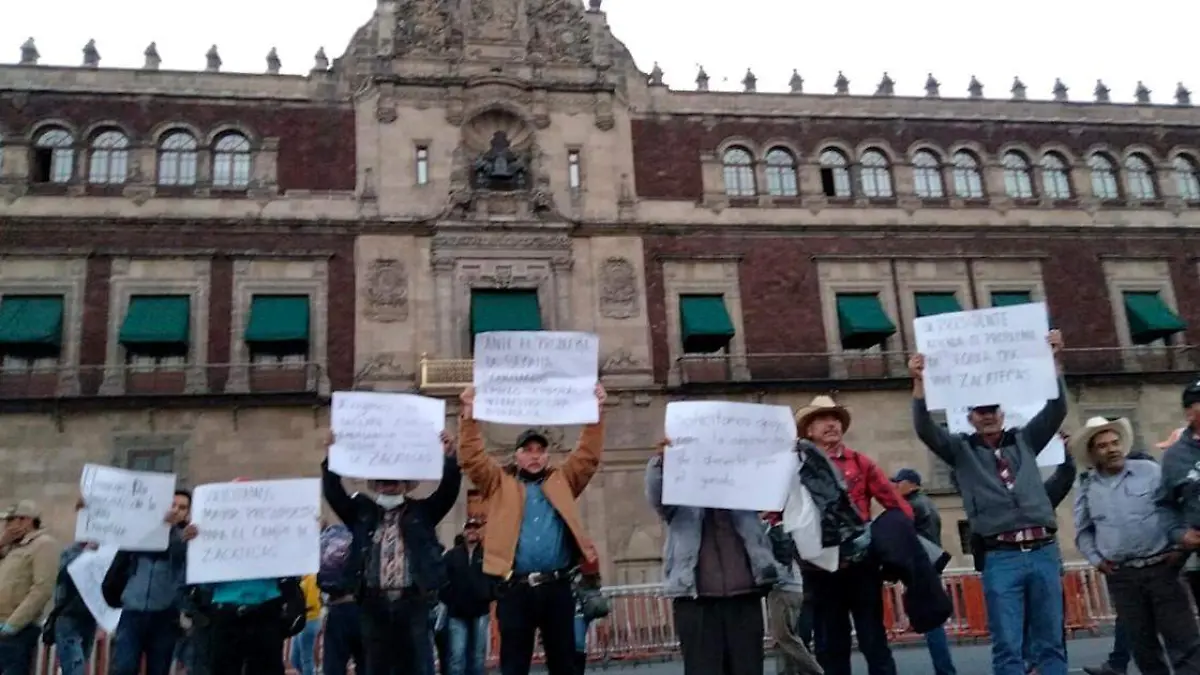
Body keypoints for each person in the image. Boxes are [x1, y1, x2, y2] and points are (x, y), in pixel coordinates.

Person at [911, 329, 1069, 675]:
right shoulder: (960, 450)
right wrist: (919, 384)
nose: (986, 415)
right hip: (1001, 556)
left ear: (1002, 411)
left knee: (1051, 641)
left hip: (1043, 551)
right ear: (969, 417)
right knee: (1008, 644)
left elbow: (1057, 407)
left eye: (992, 409)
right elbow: (924, 429)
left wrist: (1055, 360)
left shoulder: (1027, 439)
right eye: (979, 411)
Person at [457, 384, 607, 675]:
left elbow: (588, 455)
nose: (534, 455)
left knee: (564, 664)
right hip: (516, 590)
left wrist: (597, 413)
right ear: (517, 456)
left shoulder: (564, 480)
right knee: (514, 665)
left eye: (540, 450)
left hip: (558, 587)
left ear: (548, 456)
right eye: (527, 450)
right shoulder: (499, 484)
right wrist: (469, 413)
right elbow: (472, 458)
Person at [322, 431, 462, 675]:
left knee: (417, 666)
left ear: (405, 485)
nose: (389, 484)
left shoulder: (422, 512)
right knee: (375, 667)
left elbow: (448, 492)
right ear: (375, 484)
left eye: (395, 480)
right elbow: (334, 493)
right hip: (372, 603)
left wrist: (450, 458)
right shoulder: (360, 512)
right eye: (384, 480)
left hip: (413, 602)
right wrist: (332, 457)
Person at [646, 437, 787, 675]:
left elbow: (776, 488)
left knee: (748, 668)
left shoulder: (744, 495)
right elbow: (656, 492)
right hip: (695, 599)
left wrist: (782, 454)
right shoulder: (680, 498)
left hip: (744, 597)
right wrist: (662, 462)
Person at [793, 395, 912, 675]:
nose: (831, 423)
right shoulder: (795, 467)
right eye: (822, 419)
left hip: (861, 566)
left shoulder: (862, 463)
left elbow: (898, 507)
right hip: (819, 568)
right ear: (809, 430)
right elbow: (775, 512)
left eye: (834, 418)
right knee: (830, 645)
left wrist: (894, 545)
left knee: (874, 640)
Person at [1074, 415, 1200, 675]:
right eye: (1103, 445)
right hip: (1122, 577)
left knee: (1184, 644)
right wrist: (1097, 560)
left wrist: (1179, 549)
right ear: (1093, 453)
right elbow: (1083, 531)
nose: (1112, 449)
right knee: (1143, 649)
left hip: (1163, 569)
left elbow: (1178, 508)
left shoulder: (1151, 472)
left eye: (1115, 442)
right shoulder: (1086, 486)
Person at [101, 490, 195, 675]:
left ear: (188, 513)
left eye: (182, 507)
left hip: (165, 614)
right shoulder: (142, 533)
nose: (176, 510)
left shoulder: (186, 540)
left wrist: (172, 530)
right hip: (133, 611)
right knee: (123, 667)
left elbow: (179, 556)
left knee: (158, 668)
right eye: (172, 505)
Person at [891, 468, 957, 675]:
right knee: (932, 620)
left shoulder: (913, 506)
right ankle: (944, 669)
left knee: (931, 621)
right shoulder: (926, 503)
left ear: (911, 484)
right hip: (929, 567)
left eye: (899, 482)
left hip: (921, 569)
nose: (895, 486)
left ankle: (945, 670)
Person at [0, 500, 59, 675]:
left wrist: (12, 624)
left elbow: (42, 589)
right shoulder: (10, 547)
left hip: (17, 630)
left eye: (11, 520)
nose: (7, 526)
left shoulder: (43, 545)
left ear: (25, 520)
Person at [762, 512, 824, 675]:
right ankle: (789, 671)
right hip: (789, 589)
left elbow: (781, 562)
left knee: (786, 638)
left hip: (785, 589)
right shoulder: (781, 527)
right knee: (785, 638)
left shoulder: (778, 529)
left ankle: (815, 671)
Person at [442, 519, 493, 675]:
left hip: (481, 611)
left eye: (475, 528)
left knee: (478, 657)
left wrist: (490, 594)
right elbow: (442, 579)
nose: (472, 531)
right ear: (463, 532)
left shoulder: (487, 555)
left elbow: (497, 579)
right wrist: (449, 598)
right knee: (457, 656)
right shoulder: (451, 556)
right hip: (457, 613)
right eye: (469, 528)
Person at [47, 541, 100, 675]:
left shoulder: (104, 551)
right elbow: (65, 574)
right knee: (75, 666)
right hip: (68, 614)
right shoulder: (70, 552)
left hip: (91, 616)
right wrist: (85, 554)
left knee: (81, 662)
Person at [317, 522, 363, 675]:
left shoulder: (327, 540)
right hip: (362, 608)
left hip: (336, 606)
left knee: (334, 665)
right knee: (366, 663)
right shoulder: (359, 537)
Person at [290, 574, 322, 675]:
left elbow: (312, 602)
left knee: (306, 658)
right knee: (294, 658)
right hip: (300, 620)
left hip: (310, 620)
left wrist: (297, 607)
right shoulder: (301, 579)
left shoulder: (312, 578)